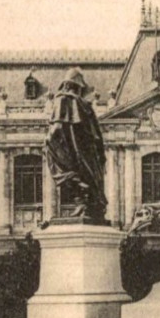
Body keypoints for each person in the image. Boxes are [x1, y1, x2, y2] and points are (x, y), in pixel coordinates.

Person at [46, 68, 107, 224]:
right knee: (86, 178)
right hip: (87, 154)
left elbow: (57, 128)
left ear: (66, 85)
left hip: (71, 151)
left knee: (65, 172)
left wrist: (49, 142)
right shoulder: (86, 105)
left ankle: (82, 201)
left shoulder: (63, 99)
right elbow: (98, 137)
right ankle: (86, 202)